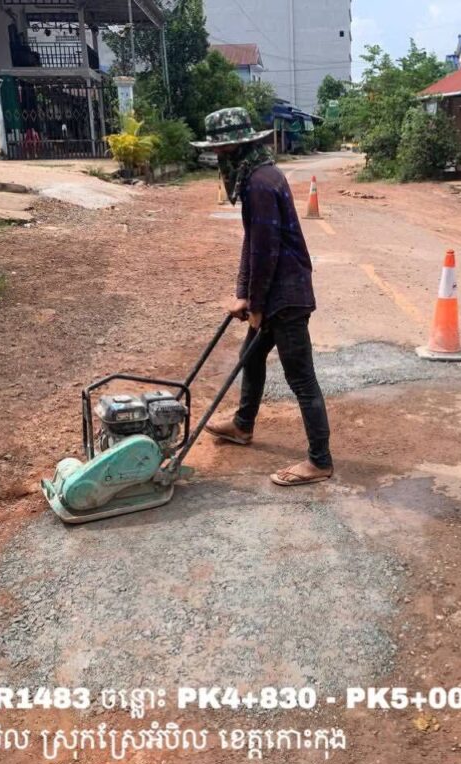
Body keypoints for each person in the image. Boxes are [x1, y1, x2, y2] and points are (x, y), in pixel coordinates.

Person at [191, 107, 333, 486]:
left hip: (285, 296)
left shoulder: (258, 184)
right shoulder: (259, 174)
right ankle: (242, 425)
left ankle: (320, 461)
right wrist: (243, 294)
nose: (217, 156)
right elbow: (252, 243)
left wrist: (255, 306)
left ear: (235, 147)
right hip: (276, 291)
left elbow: (266, 251)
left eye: (220, 149)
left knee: (301, 378)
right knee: (250, 358)